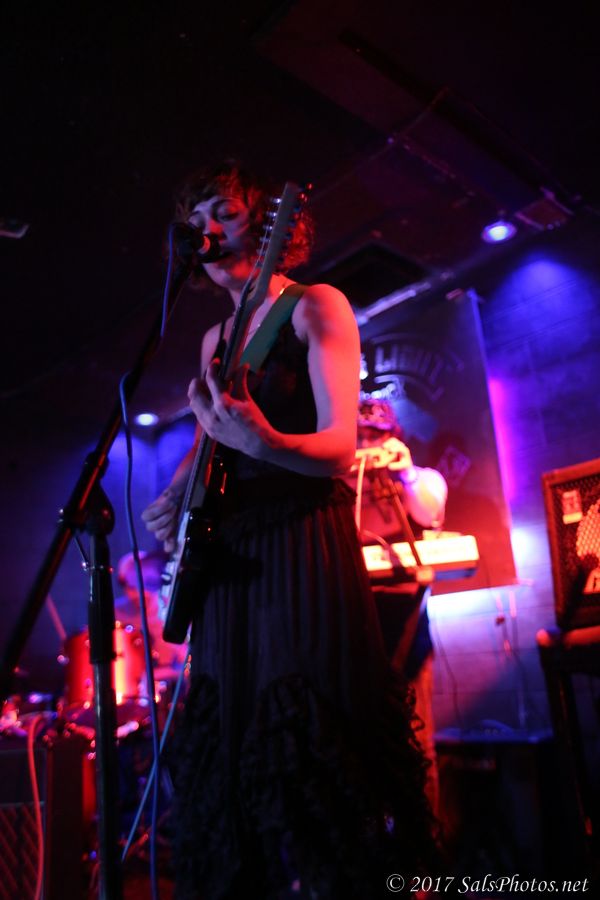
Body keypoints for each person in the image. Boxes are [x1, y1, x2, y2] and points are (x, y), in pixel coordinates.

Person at [142, 160, 437, 899]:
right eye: (195, 220)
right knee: (232, 738)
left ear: (270, 221)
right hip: (230, 552)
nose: (207, 229)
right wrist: (177, 493)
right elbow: (216, 432)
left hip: (302, 539)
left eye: (224, 211)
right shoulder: (214, 339)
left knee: (308, 730)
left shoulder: (315, 305)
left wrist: (264, 441)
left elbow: (336, 448)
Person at [350, 397, 448, 815]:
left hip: (404, 618)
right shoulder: (343, 485)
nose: (368, 443)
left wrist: (405, 472)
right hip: (354, 619)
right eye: (360, 435)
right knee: (357, 739)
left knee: (414, 734)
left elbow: (429, 511)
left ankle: (424, 842)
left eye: (377, 435)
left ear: (394, 436)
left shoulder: (422, 479)